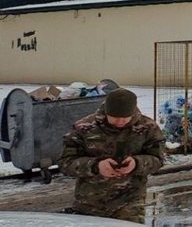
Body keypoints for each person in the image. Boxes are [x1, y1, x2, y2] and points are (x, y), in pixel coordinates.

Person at [60, 88, 165, 224]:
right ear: (106, 112)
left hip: (130, 205)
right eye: (115, 117)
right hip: (89, 204)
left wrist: (137, 164)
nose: (120, 122)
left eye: (125, 118)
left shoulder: (147, 128)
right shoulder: (84, 128)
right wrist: (95, 166)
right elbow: (65, 162)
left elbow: (158, 159)